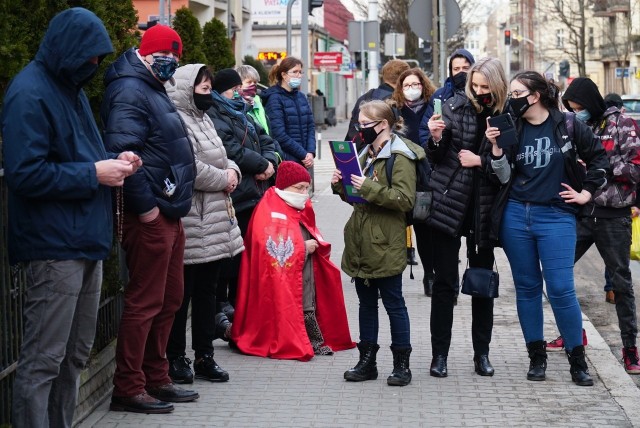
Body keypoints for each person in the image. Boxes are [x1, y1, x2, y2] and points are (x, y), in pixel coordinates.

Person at [1, 8, 139, 427]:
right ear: (70, 49)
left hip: (83, 240)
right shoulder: (30, 92)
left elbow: (79, 154)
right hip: (53, 246)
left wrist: (114, 161)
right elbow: (25, 174)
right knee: (44, 360)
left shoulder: (70, 86)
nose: (95, 66)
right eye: (90, 57)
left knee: (74, 356)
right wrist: (95, 172)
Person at [488, 71, 609, 386]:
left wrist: (586, 193)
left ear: (535, 95)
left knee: (560, 289)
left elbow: (600, 160)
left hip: (556, 216)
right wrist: (497, 150)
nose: (512, 99)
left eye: (517, 93)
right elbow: (501, 177)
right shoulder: (511, 126)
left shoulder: (568, 125)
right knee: (527, 288)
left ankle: (577, 361)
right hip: (516, 216)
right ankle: (536, 357)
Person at [101, 24, 199, 413]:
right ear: (146, 53)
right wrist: (148, 209)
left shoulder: (151, 86)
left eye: (177, 56)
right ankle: (129, 386)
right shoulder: (129, 88)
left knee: (170, 298)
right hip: (151, 215)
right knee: (145, 301)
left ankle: (157, 377)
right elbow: (123, 151)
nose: (172, 62)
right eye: (166, 55)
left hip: (169, 211)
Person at [332, 100, 426, 387]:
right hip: (361, 239)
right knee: (365, 303)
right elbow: (355, 197)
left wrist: (368, 187)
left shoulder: (400, 156)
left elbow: (404, 199)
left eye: (364, 124)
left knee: (394, 303)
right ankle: (367, 361)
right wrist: (340, 184)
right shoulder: (363, 153)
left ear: (382, 125)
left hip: (387, 239)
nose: (360, 130)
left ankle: (402, 365)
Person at [426, 57, 508, 378]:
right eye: (475, 85)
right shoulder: (454, 106)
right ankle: (439, 356)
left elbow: (506, 174)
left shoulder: (505, 116)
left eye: (485, 87)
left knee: (481, 284)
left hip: (483, 212)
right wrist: (434, 138)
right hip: (449, 205)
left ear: (497, 86)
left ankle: (482, 355)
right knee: (444, 283)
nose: (479, 91)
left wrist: (481, 161)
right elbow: (436, 157)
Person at [164, 64, 245, 385]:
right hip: (191, 219)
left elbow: (225, 157)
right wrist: (223, 178)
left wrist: (234, 172)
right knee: (180, 296)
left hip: (215, 218)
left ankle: (204, 356)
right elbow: (189, 167)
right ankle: (176, 358)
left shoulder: (206, 119)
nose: (208, 94)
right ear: (187, 90)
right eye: (203, 88)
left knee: (208, 292)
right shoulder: (177, 121)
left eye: (210, 88)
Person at [231, 161, 354, 360]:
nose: (304, 193)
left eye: (307, 188)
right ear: (285, 186)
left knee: (309, 301)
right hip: (289, 269)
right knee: (299, 303)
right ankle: (308, 340)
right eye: (300, 188)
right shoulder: (268, 210)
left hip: (304, 268)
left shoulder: (298, 203)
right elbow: (269, 249)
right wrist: (302, 248)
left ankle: (314, 339)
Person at [561, 77, 640, 374]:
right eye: (571, 107)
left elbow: (635, 168)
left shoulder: (624, 124)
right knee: (558, 275)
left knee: (621, 285)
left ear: (591, 103)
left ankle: (630, 349)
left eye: (579, 107)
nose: (575, 112)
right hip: (581, 213)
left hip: (613, 215)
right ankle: (572, 333)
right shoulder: (575, 125)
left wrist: (598, 166)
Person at [206, 68, 279, 321]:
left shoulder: (243, 113)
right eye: (233, 89)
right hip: (238, 199)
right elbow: (231, 151)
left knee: (248, 258)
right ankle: (223, 309)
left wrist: (269, 163)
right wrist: (261, 166)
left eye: (240, 88)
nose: (239, 93)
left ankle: (243, 309)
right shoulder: (215, 115)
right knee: (231, 260)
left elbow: (267, 140)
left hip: (255, 195)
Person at [419, 49, 475, 298]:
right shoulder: (440, 97)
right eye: (456, 69)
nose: (461, 73)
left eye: (466, 68)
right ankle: (449, 286)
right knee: (446, 246)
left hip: (472, 180)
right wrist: (436, 139)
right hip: (444, 181)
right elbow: (426, 135)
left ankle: (473, 286)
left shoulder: (481, 97)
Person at [391, 68, 437, 287]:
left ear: (423, 86)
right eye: (406, 86)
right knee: (397, 228)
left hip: (427, 177)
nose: (411, 89)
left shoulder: (432, 108)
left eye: (415, 85)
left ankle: (430, 274)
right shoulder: (395, 111)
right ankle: (392, 277)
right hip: (402, 177)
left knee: (424, 229)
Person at [261, 57, 315, 169]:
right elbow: (279, 134)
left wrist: (310, 152)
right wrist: (303, 154)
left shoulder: (301, 97)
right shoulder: (274, 98)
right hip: (287, 159)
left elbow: (310, 126)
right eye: (295, 72)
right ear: (284, 75)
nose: (299, 75)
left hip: (304, 159)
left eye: (300, 72)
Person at [345, 59, 410, 150]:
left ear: (384, 76)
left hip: (358, 152)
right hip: (383, 153)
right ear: (403, 79)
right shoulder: (395, 102)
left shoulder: (364, 98)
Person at [236, 64, 270, 134]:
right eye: (249, 82)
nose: (253, 85)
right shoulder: (235, 105)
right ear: (238, 84)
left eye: (255, 82)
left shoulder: (258, 102)